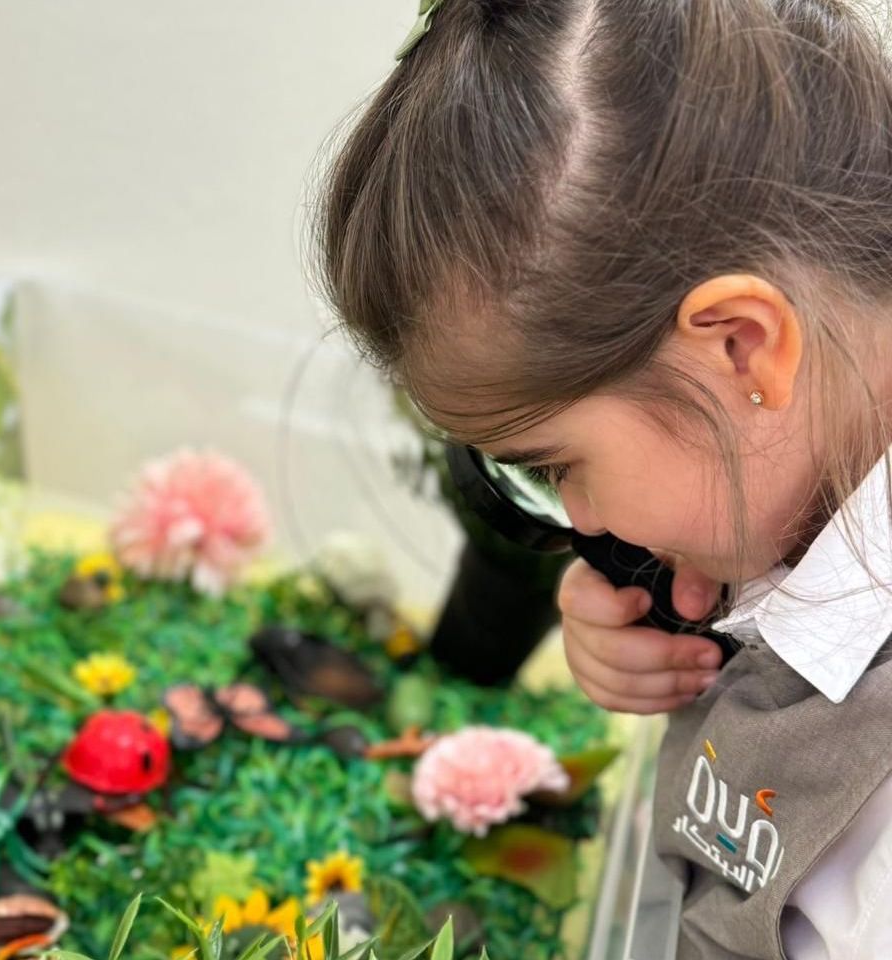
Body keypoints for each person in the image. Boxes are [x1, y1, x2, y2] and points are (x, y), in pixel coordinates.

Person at [314, 1, 892, 957]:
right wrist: (680, 612)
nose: (581, 525)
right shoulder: (803, 446)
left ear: (742, 349)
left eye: (555, 466)